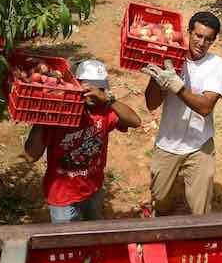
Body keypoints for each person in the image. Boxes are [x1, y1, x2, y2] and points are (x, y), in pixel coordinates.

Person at [24, 59, 142, 223]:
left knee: (93, 233)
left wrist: (109, 101)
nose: (93, 92)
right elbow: (31, 156)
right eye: (88, 86)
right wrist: (45, 115)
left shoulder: (104, 110)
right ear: (75, 84)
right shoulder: (61, 113)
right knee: (68, 243)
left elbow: (135, 121)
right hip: (63, 198)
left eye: (99, 88)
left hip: (94, 188)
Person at [141, 11, 222, 216]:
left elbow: (206, 107)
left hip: (200, 144)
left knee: (201, 211)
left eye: (208, 39)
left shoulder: (217, 65)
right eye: (198, 36)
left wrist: (177, 87)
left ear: (213, 41)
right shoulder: (170, 58)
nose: (201, 43)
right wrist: (157, 79)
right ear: (189, 33)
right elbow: (151, 104)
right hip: (168, 141)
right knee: (160, 200)